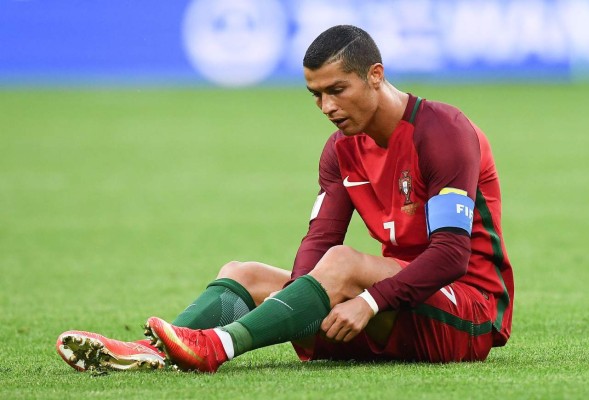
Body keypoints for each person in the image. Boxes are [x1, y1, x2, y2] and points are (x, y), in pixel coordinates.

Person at [56, 25, 513, 373]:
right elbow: (319, 240)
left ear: (375, 76)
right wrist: (305, 303)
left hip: (466, 313)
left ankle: (217, 347)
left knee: (343, 263)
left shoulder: (443, 132)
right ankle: (151, 353)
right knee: (244, 273)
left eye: (337, 90)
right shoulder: (341, 150)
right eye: (316, 95)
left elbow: (452, 255)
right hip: (393, 310)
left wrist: (368, 302)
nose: (327, 107)